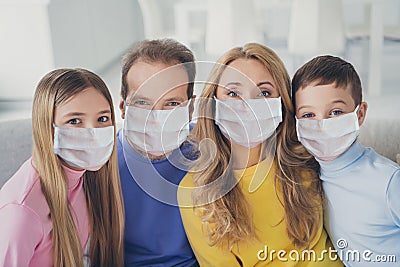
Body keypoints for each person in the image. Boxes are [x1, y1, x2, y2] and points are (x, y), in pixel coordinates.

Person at [177, 43, 343, 266]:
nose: (248, 105)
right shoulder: (195, 194)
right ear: (213, 104)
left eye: (264, 93)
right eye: (233, 93)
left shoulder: (308, 160)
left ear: (281, 104)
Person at [0, 68, 124, 267]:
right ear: (47, 127)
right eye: (74, 121)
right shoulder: (21, 213)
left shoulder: (86, 176)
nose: (93, 133)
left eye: (102, 119)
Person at [292, 55, 400, 266]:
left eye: (335, 112)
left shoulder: (388, 181)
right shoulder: (305, 179)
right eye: (308, 115)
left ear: (359, 114)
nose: (322, 124)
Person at [118, 39, 198, 266]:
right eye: (142, 102)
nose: (156, 118)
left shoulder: (210, 152)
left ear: (190, 109)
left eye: (171, 103)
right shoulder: (99, 165)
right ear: (123, 107)